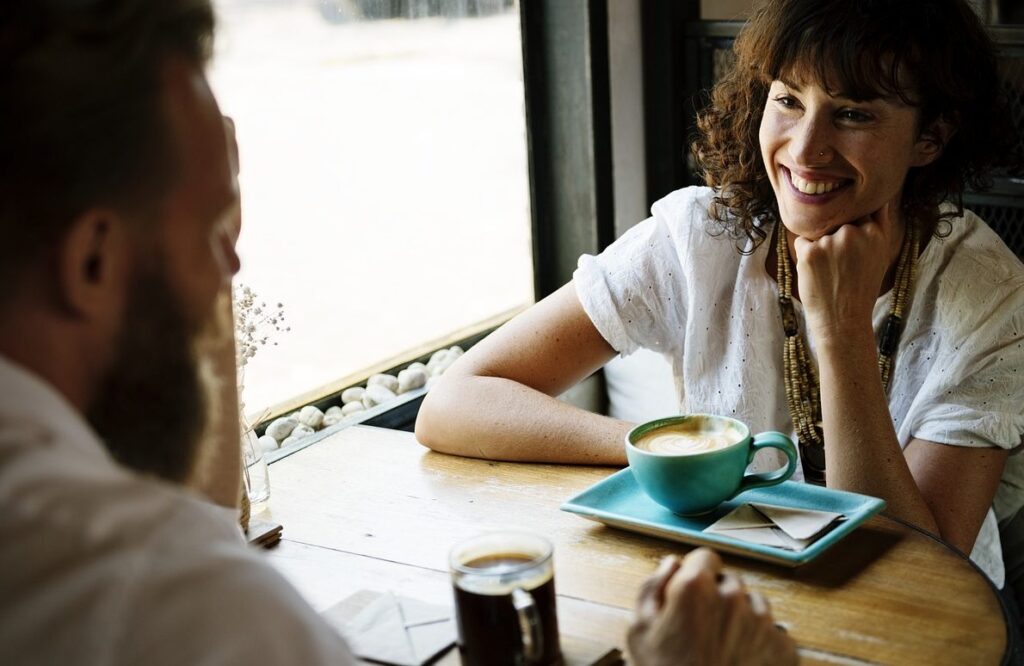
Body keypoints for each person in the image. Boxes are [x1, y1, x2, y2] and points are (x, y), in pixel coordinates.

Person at [0, 1, 795, 664]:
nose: (229, 277)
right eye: (213, 233)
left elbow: (197, 523)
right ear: (93, 261)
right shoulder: (185, 606)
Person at [417, 0, 1024, 591]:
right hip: (726, 585)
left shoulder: (992, 295)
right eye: (788, 100)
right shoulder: (700, 237)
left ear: (930, 138)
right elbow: (453, 404)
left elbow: (921, 572)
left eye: (853, 114)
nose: (805, 148)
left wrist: (840, 330)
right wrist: (674, 457)